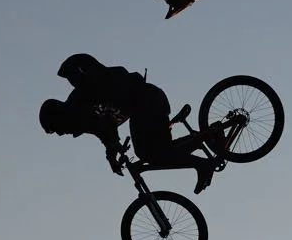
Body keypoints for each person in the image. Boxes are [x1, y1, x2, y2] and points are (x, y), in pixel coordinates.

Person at [36, 53, 215, 191]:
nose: (60, 133)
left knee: (150, 154)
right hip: (150, 100)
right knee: (158, 151)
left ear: (57, 116)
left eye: (55, 128)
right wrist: (112, 153)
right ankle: (209, 137)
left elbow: (104, 124)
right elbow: (103, 130)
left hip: (147, 102)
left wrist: (114, 148)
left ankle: (203, 164)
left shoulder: (81, 105)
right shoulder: (83, 106)